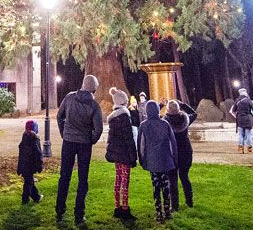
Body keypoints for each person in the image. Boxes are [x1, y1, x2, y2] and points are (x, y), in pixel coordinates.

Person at [56, 74, 103, 225]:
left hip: (68, 141)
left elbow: (59, 116)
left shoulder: (69, 98)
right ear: (94, 89)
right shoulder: (94, 105)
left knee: (65, 176)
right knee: (83, 179)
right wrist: (91, 140)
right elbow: (99, 128)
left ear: (83, 84)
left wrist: (64, 132)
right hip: (84, 144)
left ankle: (60, 210)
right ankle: (79, 214)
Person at [137, 100, 178, 224]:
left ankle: (158, 212)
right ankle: (167, 210)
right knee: (166, 186)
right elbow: (172, 143)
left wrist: (142, 160)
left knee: (156, 187)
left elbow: (141, 145)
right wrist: (173, 158)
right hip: (165, 160)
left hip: (152, 161)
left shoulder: (143, 125)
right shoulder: (165, 124)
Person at [105, 87, 137, 221]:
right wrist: (133, 157)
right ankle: (125, 209)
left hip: (116, 154)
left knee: (118, 180)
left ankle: (117, 206)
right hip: (124, 154)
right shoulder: (124, 117)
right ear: (123, 102)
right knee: (125, 181)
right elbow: (128, 139)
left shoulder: (112, 118)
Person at [163, 99, 197, 210]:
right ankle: (189, 201)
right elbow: (194, 113)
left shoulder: (165, 122)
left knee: (172, 180)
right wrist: (182, 104)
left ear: (168, 110)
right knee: (184, 177)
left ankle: (175, 206)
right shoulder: (185, 119)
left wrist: (160, 105)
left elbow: (152, 118)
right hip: (186, 151)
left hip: (172, 153)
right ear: (179, 109)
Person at [17, 120, 43, 205]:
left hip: (24, 165)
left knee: (29, 181)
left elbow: (21, 155)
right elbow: (38, 153)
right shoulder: (35, 139)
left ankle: (36, 197)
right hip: (31, 165)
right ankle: (25, 199)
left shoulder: (24, 139)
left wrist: (19, 167)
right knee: (28, 183)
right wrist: (40, 165)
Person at [229, 88, 253, 154]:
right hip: (248, 119)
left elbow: (233, 110)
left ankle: (241, 149)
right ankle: (249, 149)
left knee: (241, 135)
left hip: (240, 119)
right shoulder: (248, 100)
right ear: (246, 93)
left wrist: (238, 115)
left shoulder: (237, 100)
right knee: (248, 135)